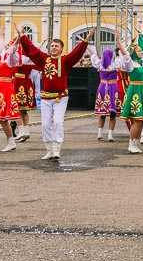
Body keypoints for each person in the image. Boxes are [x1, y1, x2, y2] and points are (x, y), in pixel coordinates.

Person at [17, 26, 92, 160]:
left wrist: (85, 40)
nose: (54, 47)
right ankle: (49, 150)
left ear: (61, 49)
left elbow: (76, 53)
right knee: (45, 124)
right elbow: (31, 50)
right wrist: (22, 36)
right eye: (52, 45)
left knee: (57, 122)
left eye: (56, 46)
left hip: (60, 97)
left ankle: (57, 148)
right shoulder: (43, 59)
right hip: (45, 97)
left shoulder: (65, 61)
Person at [118, 28, 143, 154]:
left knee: (141, 119)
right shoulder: (131, 64)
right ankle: (131, 143)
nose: (141, 51)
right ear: (134, 52)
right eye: (139, 50)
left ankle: (136, 142)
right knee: (136, 119)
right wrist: (119, 41)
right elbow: (125, 53)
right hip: (135, 91)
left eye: (141, 50)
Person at [87, 42, 125, 142]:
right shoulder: (115, 64)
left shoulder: (99, 64)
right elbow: (123, 58)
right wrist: (121, 49)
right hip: (113, 87)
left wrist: (87, 44)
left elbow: (93, 54)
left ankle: (100, 133)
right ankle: (110, 135)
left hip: (102, 88)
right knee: (113, 114)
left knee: (102, 113)